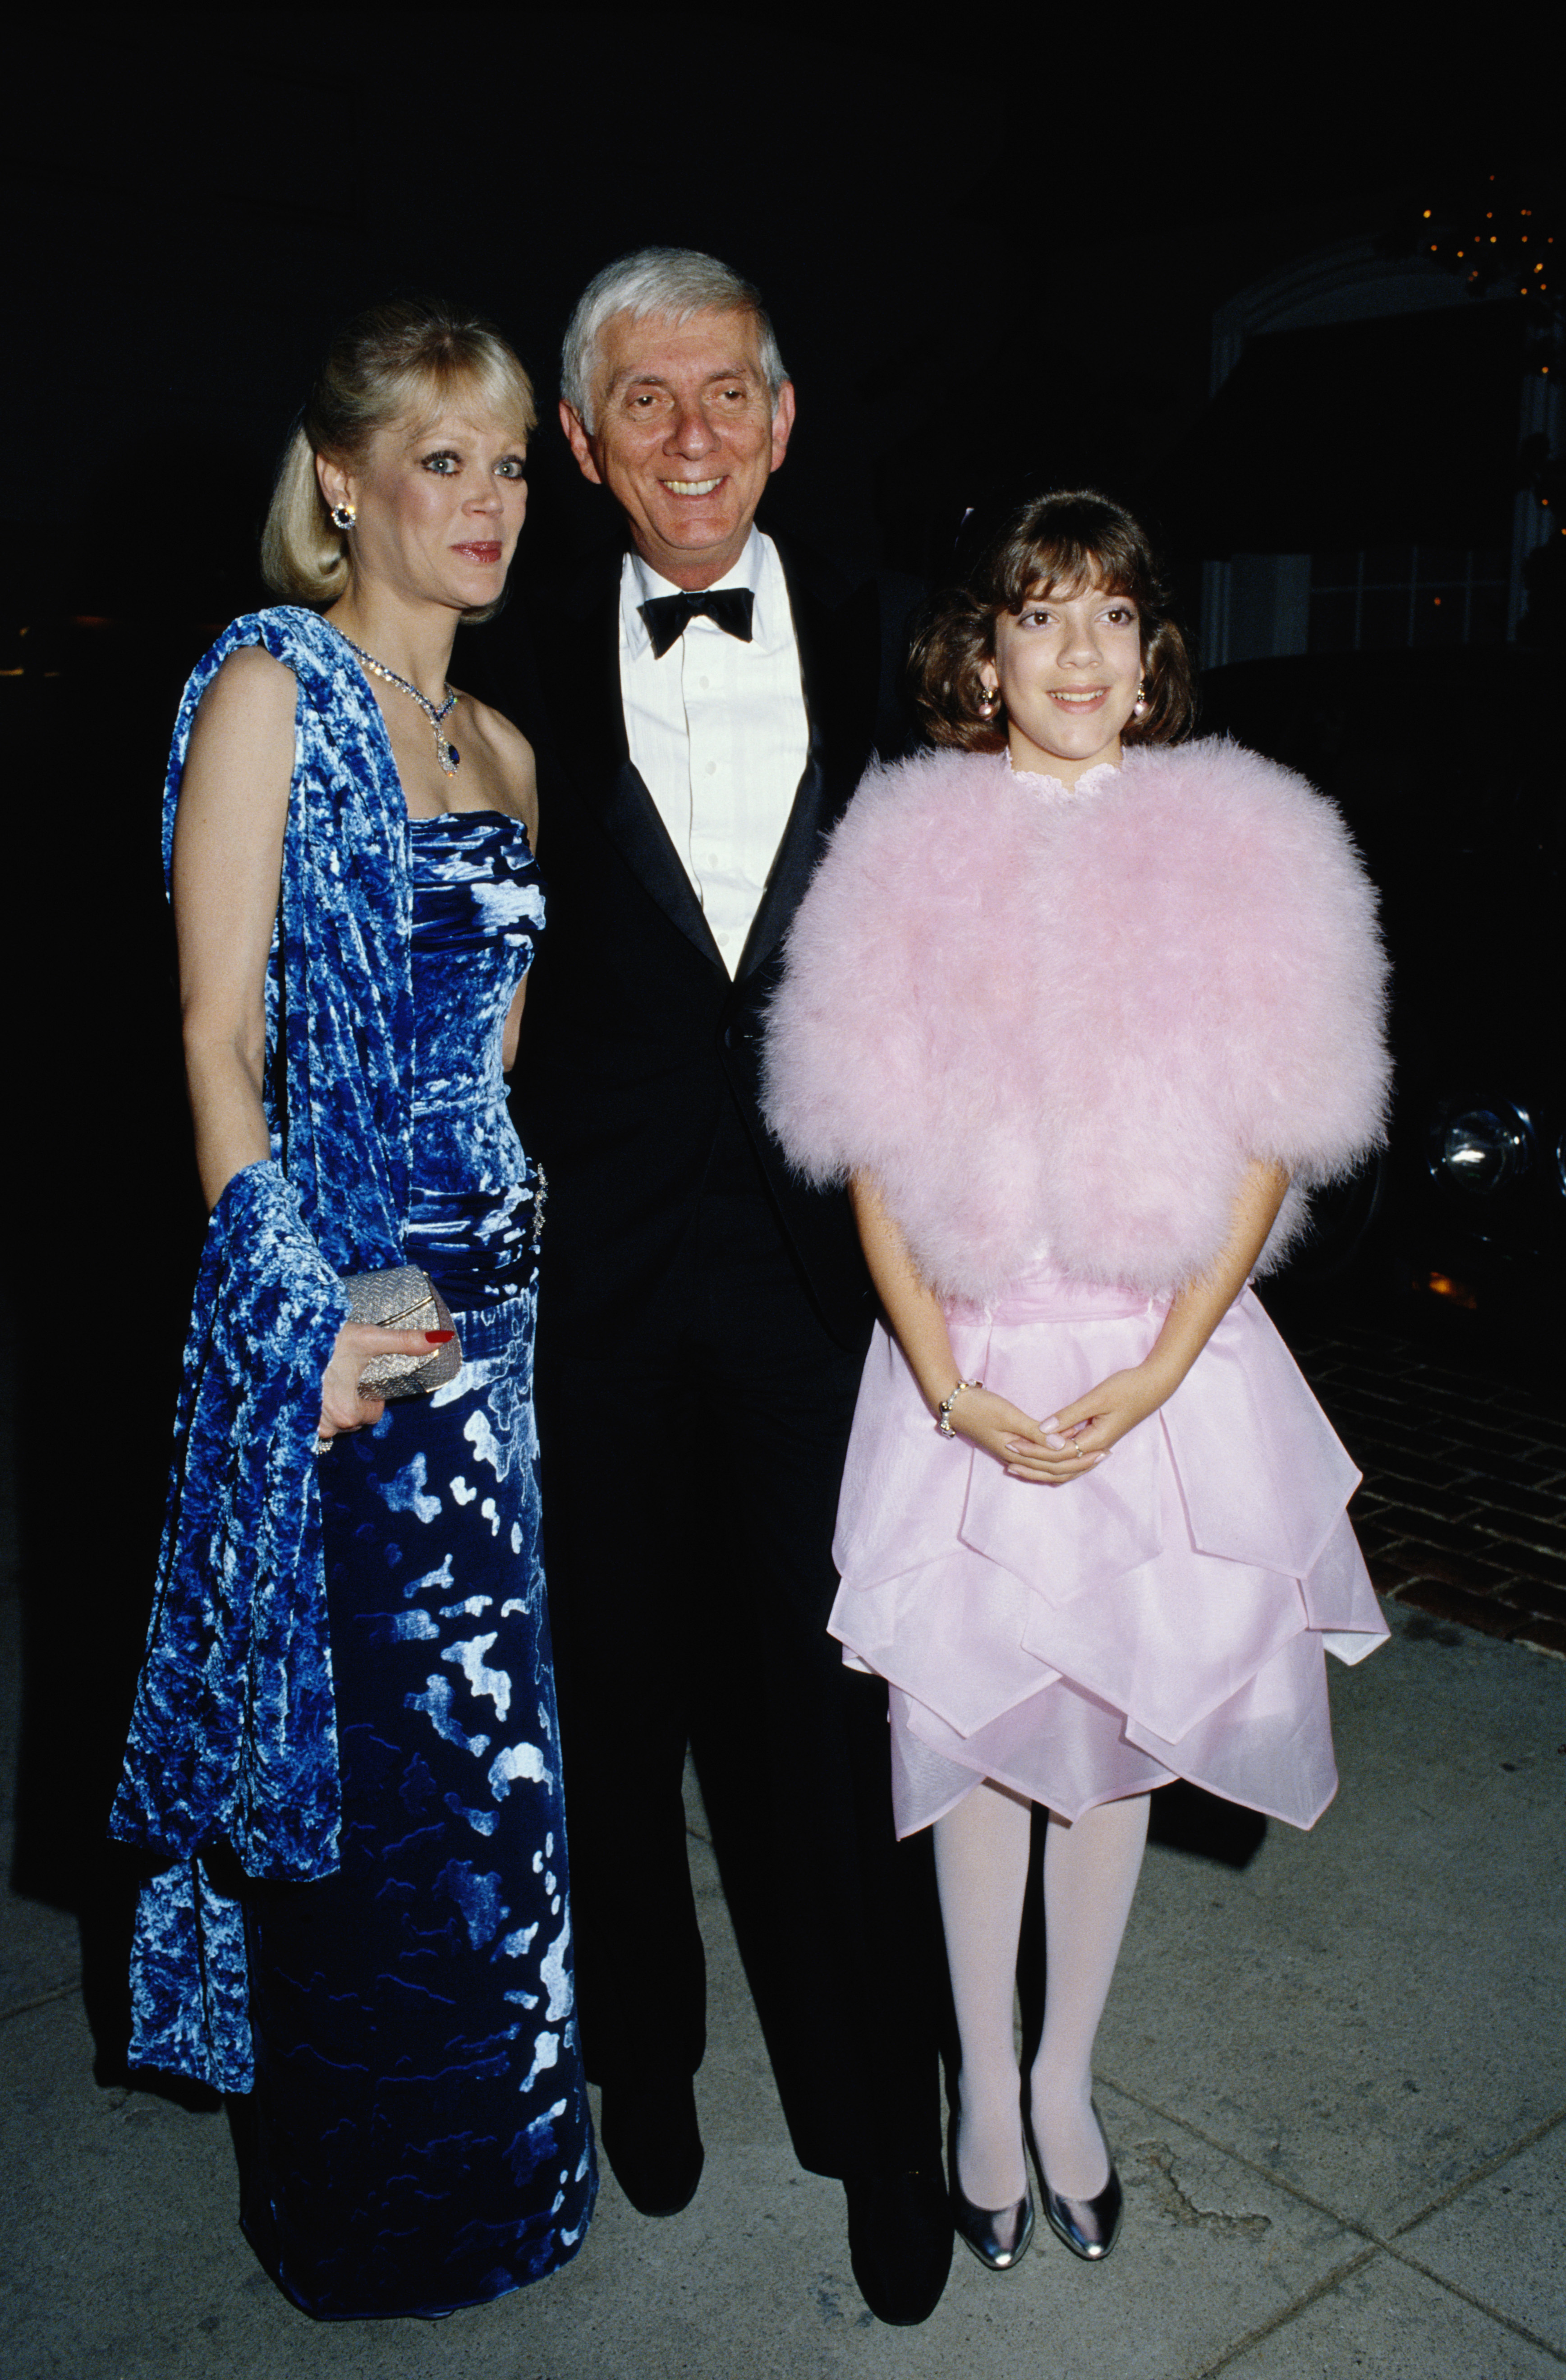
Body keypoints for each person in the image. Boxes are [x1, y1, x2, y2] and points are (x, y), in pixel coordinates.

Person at [762, 489, 1391, 2274]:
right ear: (980, 648)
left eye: (1113, 615)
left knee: (1111, 1741)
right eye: (1040, 614)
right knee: (971, 1732)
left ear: (1150, 650)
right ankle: (976, 2095)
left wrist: (1173, 1362)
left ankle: (1062, 2083)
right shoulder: (902, 843)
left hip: (1156, 1356)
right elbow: (863, 1138)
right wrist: (943, 1377)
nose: (1080, 651)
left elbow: (1276, 1125)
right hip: (967, 1356)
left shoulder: (1249, 838)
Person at [470, 248, 951, 2325]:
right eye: (643, 404)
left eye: (727, 393)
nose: (690, 438)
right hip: (584, 1286)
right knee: (611, 1695)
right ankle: (640, 2060)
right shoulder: (487, 679)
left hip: (837, 1287)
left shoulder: (891, 642)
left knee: (838, 1718)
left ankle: (880, 2128)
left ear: (781, 416)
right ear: (580, 443)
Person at [110, 299, 596, 2319]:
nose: (483, 504)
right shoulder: (266, 694)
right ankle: (377, 2218)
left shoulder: (508, 747)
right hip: (343, 1319)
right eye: (440, 461)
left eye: (504, 465)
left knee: (493, 1782)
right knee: (372, 1800)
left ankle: (506, 2190)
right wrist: (299, 1325)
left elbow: (491, 1063)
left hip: (492, 1322)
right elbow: (222, 1045)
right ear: (342, 482)